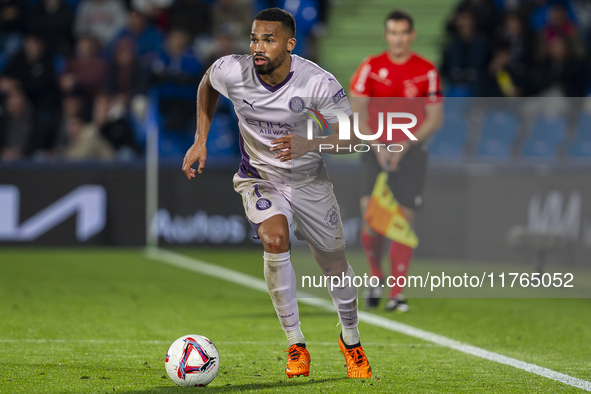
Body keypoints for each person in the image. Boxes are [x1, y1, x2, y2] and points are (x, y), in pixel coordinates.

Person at [182, 8, 372, 379]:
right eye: (254, 39)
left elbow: (353, 138)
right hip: (260, 178)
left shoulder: (317, 82)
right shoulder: (232, 70)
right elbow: (207, 84)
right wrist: (200, 140)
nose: (258, 47)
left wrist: (310, 143)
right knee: (274, 240)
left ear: (289, 44)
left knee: (333, 264)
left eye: (269, 40)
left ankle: (351, 341)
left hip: (309, 181)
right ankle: (296, 344)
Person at [349, 9, 443, 312]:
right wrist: (378, 145)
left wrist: (404, 143)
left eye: (403, 33)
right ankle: (376, 276)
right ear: (386, 35)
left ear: (412, 35)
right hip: (374, 150)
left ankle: (396, 293)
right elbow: (356, 113)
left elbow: (435, 118)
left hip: (412, 151)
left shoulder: (426, 70)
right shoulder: (371, 67)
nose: (398, 38)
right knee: (372, 217)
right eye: (393, 32)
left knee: (402, 220)